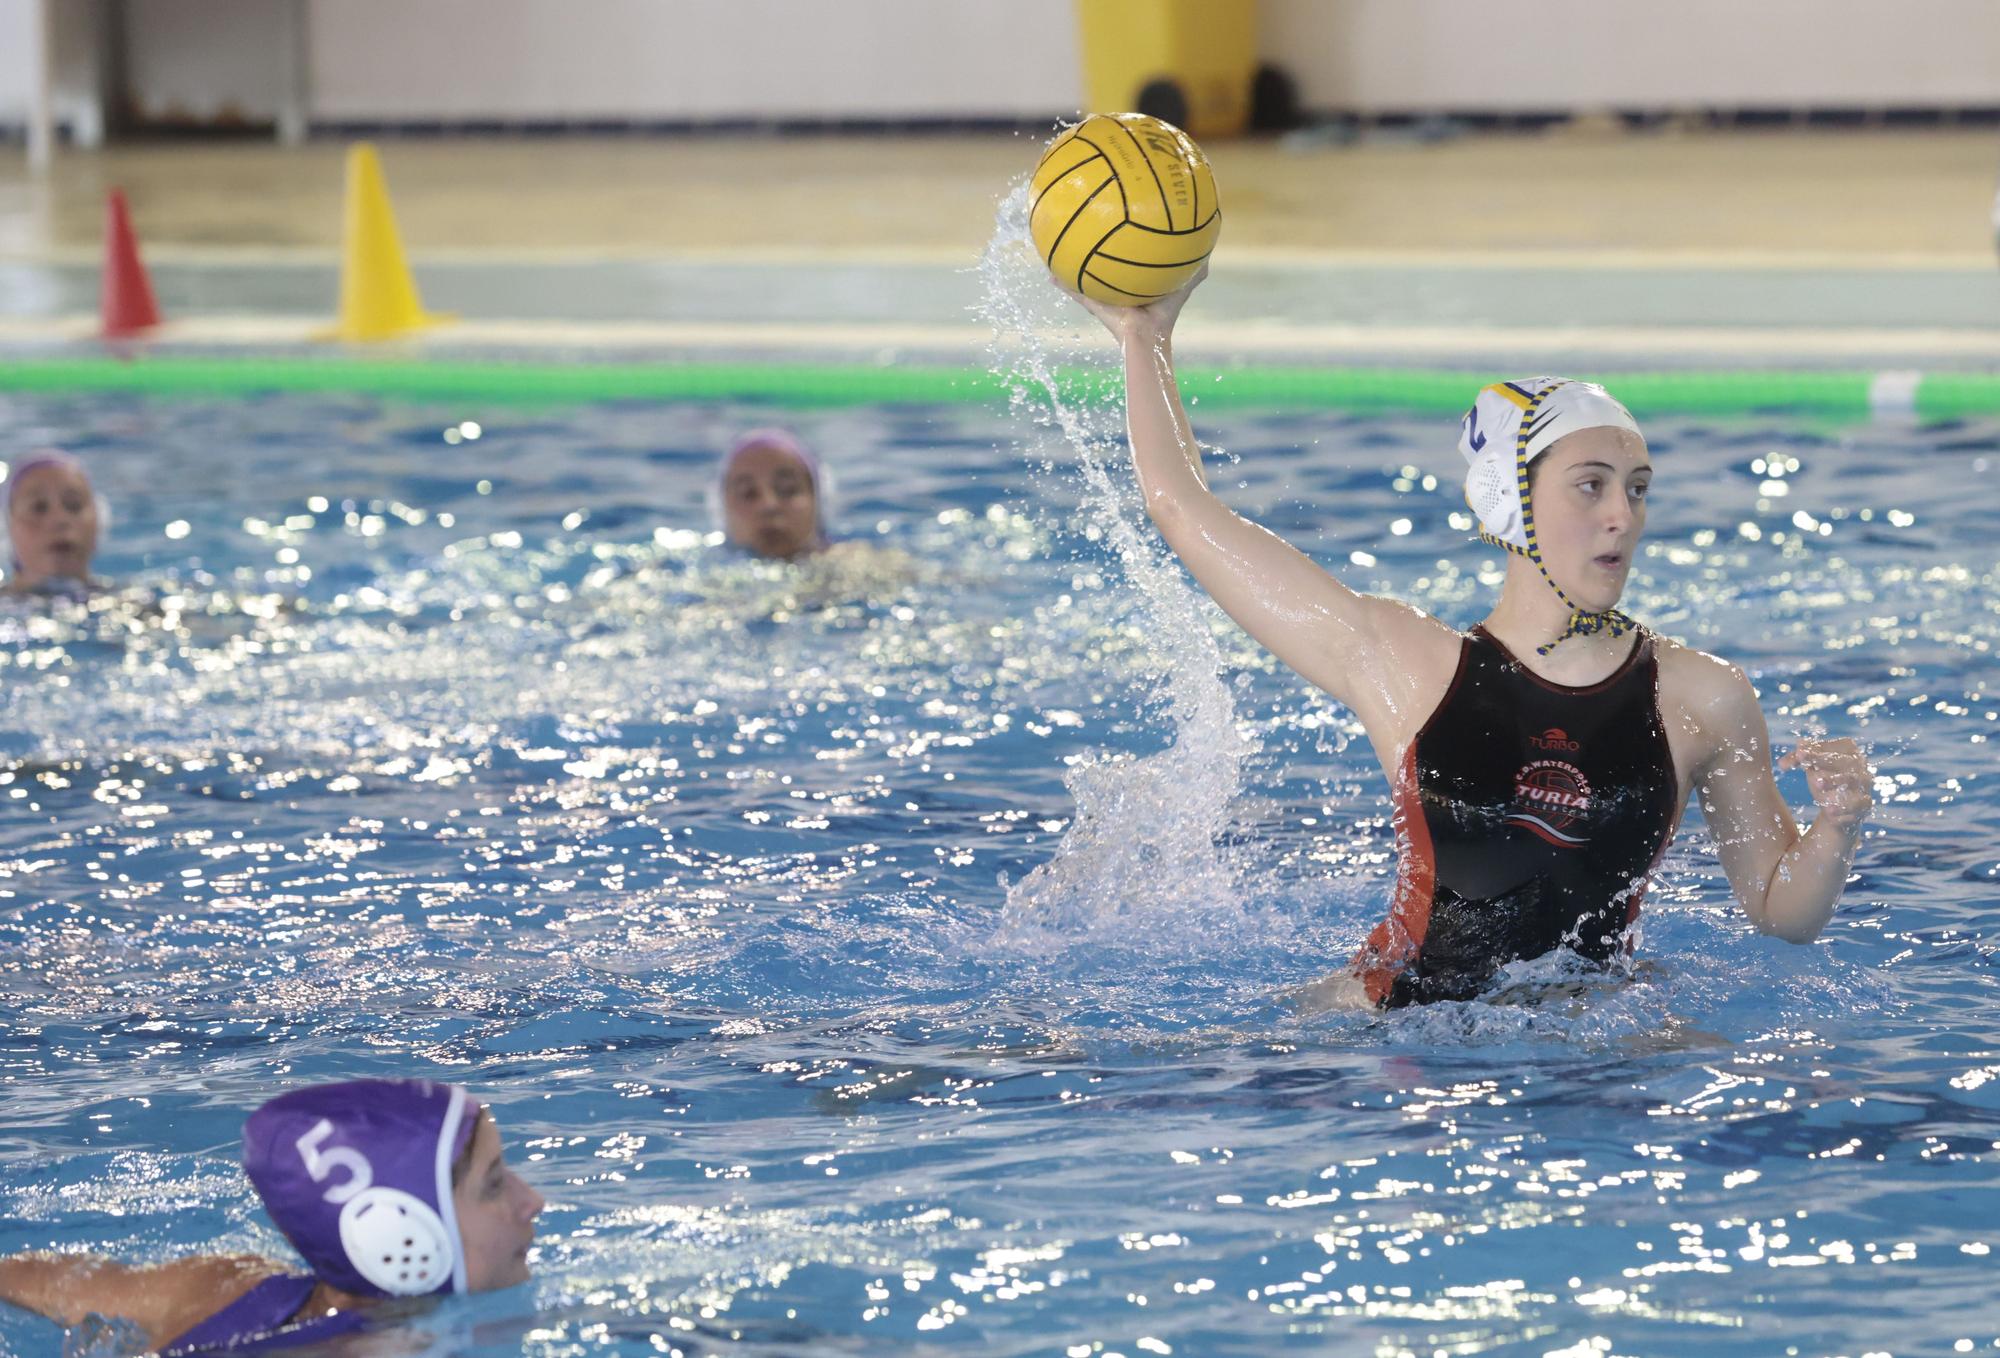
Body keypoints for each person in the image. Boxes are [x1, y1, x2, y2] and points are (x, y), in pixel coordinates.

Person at [1070, 267, 1875, 1009]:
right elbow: (1183, 509)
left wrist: (1837, 828)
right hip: (1392, 1030)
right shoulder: (1401, 661)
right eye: (1589, 486)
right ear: (1509, 503)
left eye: (1636, 490)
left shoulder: (1701, 696)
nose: (1620, 517)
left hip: (1595, 1038)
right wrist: (1146, 336)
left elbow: (1780, 912)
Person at [0, 1079, 544, 1353]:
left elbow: (34, 1280)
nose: (532, 1201)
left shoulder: (221, 1286)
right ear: (398, 1234)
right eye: (493, 1183)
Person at [714, 428, 831, 560]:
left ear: (817, 502)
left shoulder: (852, 566)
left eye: (788, 489)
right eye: (748, 493)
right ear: (723, 508)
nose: (769, 505)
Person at [5, 449, 103, 597]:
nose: (59, 519)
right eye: (38, 507)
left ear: (98, 522)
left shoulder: (132, 604)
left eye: (74, 505)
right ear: (8, 527)